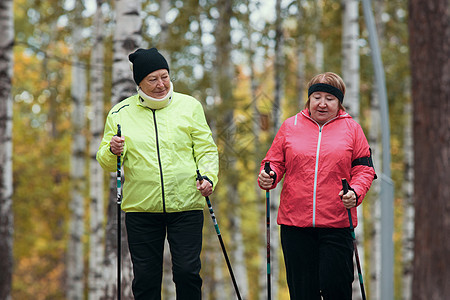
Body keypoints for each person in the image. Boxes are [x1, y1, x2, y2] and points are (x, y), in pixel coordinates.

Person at [97, 48, 219, 300]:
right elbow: (107, 162)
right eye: (152, 79)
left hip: (186, 205)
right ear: (139, 83)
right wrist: (112, 150)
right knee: (145, 279)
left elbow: (206, 149)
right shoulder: (120, 113)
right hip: (142, 209)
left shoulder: (190, 106)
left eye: (164, 76)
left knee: (187, 273)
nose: (161, 84)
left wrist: (208, 178)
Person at [258, 72, 376, 299]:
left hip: (337, 224)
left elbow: (364, 169)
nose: (322, 103)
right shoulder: (290, 126)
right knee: (302, 292)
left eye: (329, 99)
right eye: (317, 97)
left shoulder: (352, 129)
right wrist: (269, 175)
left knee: (337, 289)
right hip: (296, 226)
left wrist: (355, 191)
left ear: (339, 102)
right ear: (309, 99)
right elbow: (273, 162)